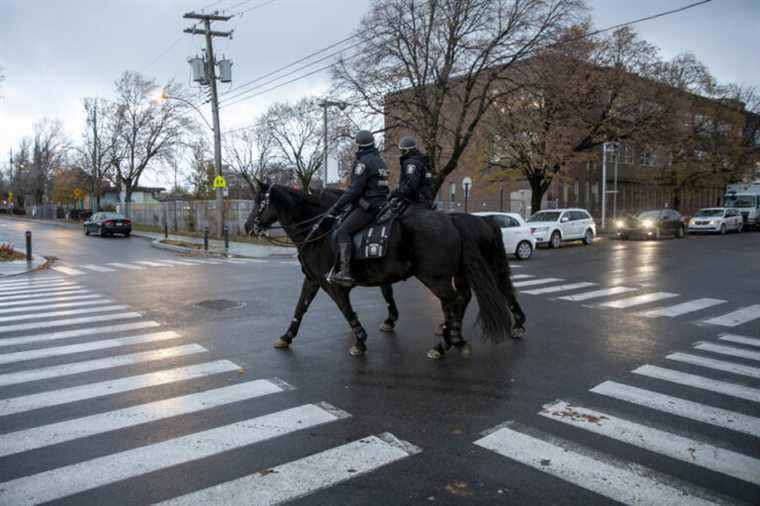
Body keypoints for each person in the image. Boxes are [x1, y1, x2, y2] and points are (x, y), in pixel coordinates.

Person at [328, 130, 390, 286]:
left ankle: (345, 271)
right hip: (383, 204)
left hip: (369, 206)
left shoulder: (363, 163)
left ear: (359, 144)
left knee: (343, 231)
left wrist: (336, 207)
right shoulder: (380, 161)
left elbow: (354, 189)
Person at [391, 135, 434, 208]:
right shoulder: (421, 160)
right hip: (424, 199)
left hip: (416, 201)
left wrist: (398, 193)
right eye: (401, 151)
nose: (402, 153)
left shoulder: (411, 163)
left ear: (410, 150)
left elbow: (411, 185)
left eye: (403, 151)